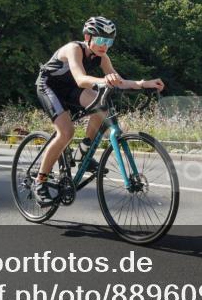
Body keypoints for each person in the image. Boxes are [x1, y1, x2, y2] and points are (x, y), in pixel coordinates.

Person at [33, 16, 165, 205]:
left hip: (70, 89)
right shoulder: (74, 49)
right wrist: (104, 81)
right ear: (87, 37)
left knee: (101, 109)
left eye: (109, 41)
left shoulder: (102, 57)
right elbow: (80, 78)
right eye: (101, 40)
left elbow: (119, 81)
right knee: (66, 132)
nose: (105, 46)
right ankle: (40, 181)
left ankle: (83, 151)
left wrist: (144, 83)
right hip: (49, 86)